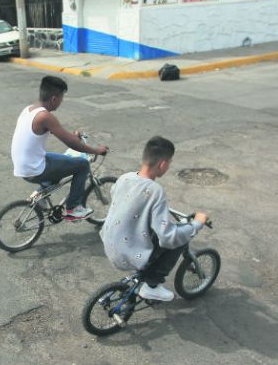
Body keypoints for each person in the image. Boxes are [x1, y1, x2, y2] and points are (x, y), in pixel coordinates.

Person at [100, 136, 208, 301]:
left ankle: (145, 274)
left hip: (110, 243)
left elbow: (118, 197)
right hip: (128, 253)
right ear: (163, 164)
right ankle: (152, 284)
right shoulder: (155, 190)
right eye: (170, 163)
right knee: (179, 239)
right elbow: (167, 237)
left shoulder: (125, 177)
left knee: (153, 233)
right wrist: (196, 224)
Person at [11, 76, 108, 221]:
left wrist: (74, 136)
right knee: (82, 165)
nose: (61, 102)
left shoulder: (29, 110)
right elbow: (71, 143)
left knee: (63, 162)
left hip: (24, 164)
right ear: (54, 99)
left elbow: (60, 133)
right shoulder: (45, 116)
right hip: (34, 168)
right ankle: (73, 208)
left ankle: (39, 195)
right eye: (62, 98)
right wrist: (95, 150)